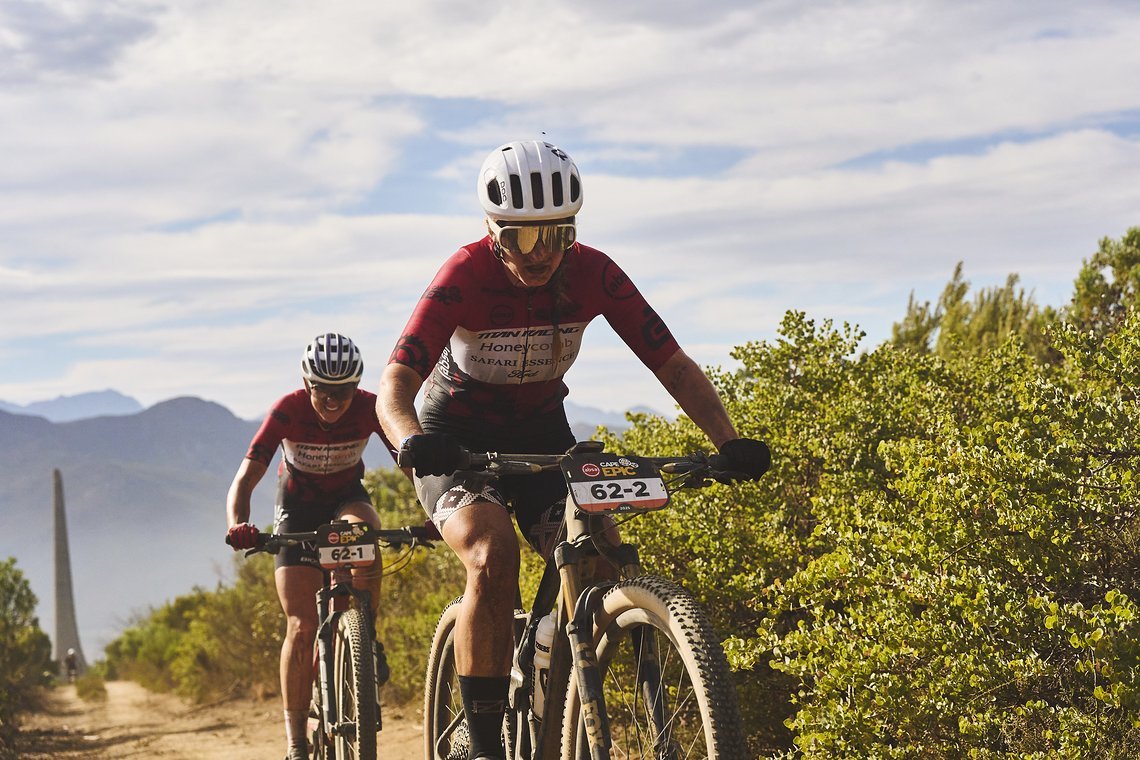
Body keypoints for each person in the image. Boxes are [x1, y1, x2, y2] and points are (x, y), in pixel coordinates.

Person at [375, 139, 770, 760]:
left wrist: (729, 440)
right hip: (455, 440)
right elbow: (394, 384)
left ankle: (558, 693)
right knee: (492, 551)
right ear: (490, 231)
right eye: (519, 238)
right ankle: (484, 747)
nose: (539, 255)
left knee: (605, 559)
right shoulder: (464, 275)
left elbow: (669, 361)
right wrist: (411, 442)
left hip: (541, 434)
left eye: (556, 235)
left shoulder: (595, 272)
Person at [226, 333, 395, 760]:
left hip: (346, 499)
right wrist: (239, 524)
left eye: (344, 391)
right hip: (297, 509)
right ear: (307, 384)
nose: (334, 401)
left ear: (356, 387)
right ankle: (297, 742)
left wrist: (437, 509)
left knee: (366, 530)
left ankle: (365, 640)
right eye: (324, 390)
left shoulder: (369, 408)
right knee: (301, 628)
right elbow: (245, 478)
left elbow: (409, 464)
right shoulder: (288, 410)